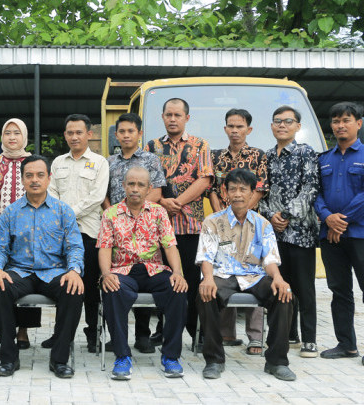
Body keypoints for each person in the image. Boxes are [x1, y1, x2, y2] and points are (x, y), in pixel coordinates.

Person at [0, 155, 84, 379]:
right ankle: (8, 357)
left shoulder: (63, 211)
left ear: (49, 178)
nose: (35, 180)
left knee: (74, 289)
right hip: (20, 272)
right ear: (22, 179)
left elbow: (75, 247)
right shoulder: (10, 212)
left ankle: (59, 359)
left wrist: (74, 271)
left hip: (53, 272)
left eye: (40, 175)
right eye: (29, 175)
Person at [196, 169, 295, 381]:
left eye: (243, 189)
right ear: (226, 193)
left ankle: (277, 362)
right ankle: (214, 360)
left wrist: (278, 278)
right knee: (206, 294)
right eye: (233, 189)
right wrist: (208, 278)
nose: (238, 194)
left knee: (283, 293)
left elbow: (269, 259)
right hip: (223, 274)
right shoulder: (212, 222)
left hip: (255, 275)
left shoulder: (263, 224)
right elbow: (206, 255)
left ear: (252, 193)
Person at [99, 166, 188, 380]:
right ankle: (122, 357)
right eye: (131, 184)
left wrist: (178, 272)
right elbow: (104, 247)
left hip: (153, 270)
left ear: (149, 189)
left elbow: (169, 245)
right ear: (123, 186)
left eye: (140, 185)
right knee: (113, 289)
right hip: (122, 270)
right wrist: (106, 274)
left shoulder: (158, 212)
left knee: (177, 289)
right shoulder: (110, 214)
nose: (135, 189)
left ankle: (171, 357)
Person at [146, 98, 213, 346]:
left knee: (193, 283)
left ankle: (198, 332)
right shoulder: (151, 147)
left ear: (187, 117)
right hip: (158, 229)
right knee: (166, 282)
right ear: (162, 117)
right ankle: (163, 330)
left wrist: (177, 202)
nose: (173, 119)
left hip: (190, 226)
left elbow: (205, 179)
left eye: (177, 115)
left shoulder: (200, 145)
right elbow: (147, 181)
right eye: (168, 115)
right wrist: (163, 202)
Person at [314, 102, 364, 366]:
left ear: (358, 124)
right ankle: (346, 344)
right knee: (339, 290)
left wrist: (341, 221)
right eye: (336, 120)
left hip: (363, 233)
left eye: (346, 120)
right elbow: (315, 194)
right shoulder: (323, 159)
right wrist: (327, 218)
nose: (341, 125)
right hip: (331, 235)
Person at [259, 105, 320, 358]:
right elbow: (260, 190)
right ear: (272, 126)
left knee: (304, 287)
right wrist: (269, 215)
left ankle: (309, 339)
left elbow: (311, 187)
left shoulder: (306, 153)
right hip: (275, 234)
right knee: (280, 285)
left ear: (297, 126)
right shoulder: (267, 157)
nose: (282, 125)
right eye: (277, 121)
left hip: (301, 233)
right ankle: (288, 334)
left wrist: (285, 215)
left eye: (288, 121)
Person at [105, 112, 167, 353]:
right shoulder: (109, 162)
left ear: (139, 134)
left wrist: (136, 213)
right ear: (117, 134)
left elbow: (157, 192)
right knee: (117, 282)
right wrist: (114, 215)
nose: (126, 135)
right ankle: (116, 337)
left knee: (143, 277)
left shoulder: (151, 160)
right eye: (122, 131)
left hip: (145, 228)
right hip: (116, 229)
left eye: (131, 131)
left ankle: (143, 335)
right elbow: (105, 194)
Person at [0, 118, 40, 349]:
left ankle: (23, 332)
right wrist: (5, 225)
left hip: (30, 236)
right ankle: (3, 333)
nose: (12, 137)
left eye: (17, 133)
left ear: (24, 136)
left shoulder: (33, 163)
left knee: (27, 281)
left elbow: (40, 196)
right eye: (7, 133)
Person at [209, 108, 268, 355]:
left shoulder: (258, 156)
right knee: (224, 271)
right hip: (223, 225)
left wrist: (241, 212)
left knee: (253, 271)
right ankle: (227, 333)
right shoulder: (216, 156)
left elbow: (261, 188)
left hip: (250, 225)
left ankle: (255, 337)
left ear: (249, 129)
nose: (235, 130)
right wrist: (221, 217)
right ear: (225, 129)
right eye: (230, 126)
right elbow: (211, 188)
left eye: (240, 126)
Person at [48, 114, 108, 353]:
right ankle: (60, 334)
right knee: (64, 286)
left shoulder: (100, 162)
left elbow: (97, 197)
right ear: (65, 135)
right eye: (70, 133)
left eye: (79, 132)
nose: (74, 137)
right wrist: (63, 217)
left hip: (89, 233)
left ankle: (93, 334)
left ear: (89, 134)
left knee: (91, 289)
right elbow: (50, 193)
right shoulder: (57, 163)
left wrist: (68, 214)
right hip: (61, 234)